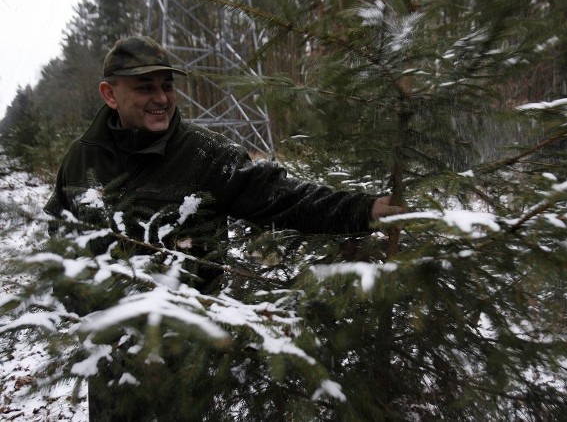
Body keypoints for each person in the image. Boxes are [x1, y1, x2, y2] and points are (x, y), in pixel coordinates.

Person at [44, 35, 402, 420]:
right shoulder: (82, 157)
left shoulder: (205, 155)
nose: (161, 98)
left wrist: (364, 209)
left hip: (185, 358)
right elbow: (59, 234)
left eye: (167, 86)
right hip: (110, 358)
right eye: (145, 87)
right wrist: (85, 306)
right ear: (110, 94)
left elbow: (284, 198)